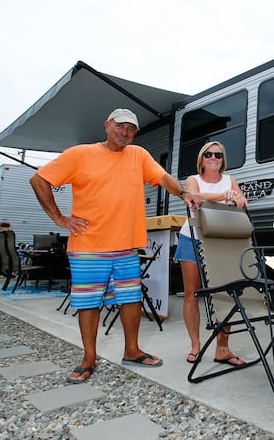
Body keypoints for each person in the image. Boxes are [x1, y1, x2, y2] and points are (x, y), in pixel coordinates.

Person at [30, 108, 200, 384]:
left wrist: (184, 193)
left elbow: (163, 177)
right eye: (120, 126)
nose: (125, 133)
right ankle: (88, 358)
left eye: (131, 129)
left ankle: (131, 350)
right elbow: (39, 180)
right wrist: (59, 218)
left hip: (126, 245)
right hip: (88, 245)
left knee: (131, 299)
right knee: (89, 304)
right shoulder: (79, 154)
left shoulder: (139, 155)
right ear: (107, 125)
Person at [174, 141, 248, 366]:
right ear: (202, 159)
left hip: (221, 242)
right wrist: (224, 196)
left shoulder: (230, 180)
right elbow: (195, 197)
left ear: (222, 159)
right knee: (191, 294)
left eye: (218, 154)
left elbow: (241, 202)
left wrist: (239, 199)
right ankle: (196, 346)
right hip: (192, 239)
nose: (213, 157)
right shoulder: (192, 180)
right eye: (208, 154)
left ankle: (222, 348)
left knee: (224, 294)